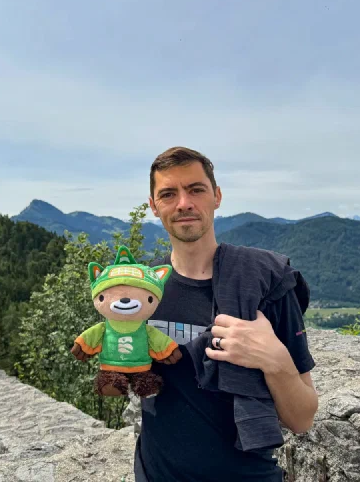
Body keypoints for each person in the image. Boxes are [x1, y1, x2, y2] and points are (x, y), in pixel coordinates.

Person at [134, 146, 318, 482]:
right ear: (154, 205)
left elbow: (303, 417)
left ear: (216, 196)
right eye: (168, 194)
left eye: (196, 189)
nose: (184, 203)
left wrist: (274, 360)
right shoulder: (143, 291)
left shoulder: (267, 283)